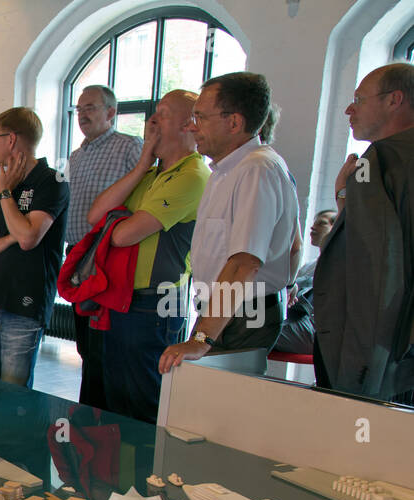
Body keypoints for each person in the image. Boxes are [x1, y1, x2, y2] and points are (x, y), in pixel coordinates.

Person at [159, 72, 300, 375]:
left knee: (224, 413)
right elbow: (293, 246)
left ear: (234, 122)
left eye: (200, 117)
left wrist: (200, 337)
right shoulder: (227, 170)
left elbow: (244, 262)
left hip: (244, 314)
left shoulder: (257, 169)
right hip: (226, 312)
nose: (191, 127)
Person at [84, 90, 208, 423]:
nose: (151, 122)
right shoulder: (152, 174)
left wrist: (119, 221)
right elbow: (96, 215)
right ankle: (118, 475)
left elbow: (123, 235)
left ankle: (144, 474)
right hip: (121, 300)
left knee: (141, 404)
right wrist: (141, 165)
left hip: (154, 306)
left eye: (163, 114)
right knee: (115, 402)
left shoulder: (192, 175)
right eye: (153, 113)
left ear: (188, 125)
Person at [313, 62, 414, 401]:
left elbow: (374, 268)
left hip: (380, 348)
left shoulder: (379, 160)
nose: (348, 109)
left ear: (394, 100)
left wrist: (361, 369)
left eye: (359, 98)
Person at [0, 107, 69, 387]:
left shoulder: (52, 181)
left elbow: (28, 240)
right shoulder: (7, 184)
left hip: (25, 304)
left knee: (14, 395)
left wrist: (5, 195)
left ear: (11, 139)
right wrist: (12, 235)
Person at [66, 85, 144, 405]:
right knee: (85, 344)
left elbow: (140, 199)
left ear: (111, 113)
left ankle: (102, 421)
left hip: (109, 257)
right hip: (78, 256)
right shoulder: (76, 155)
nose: (83, 115)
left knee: (103, 345)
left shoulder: (129, 147)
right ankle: (88, 413)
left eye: (91, 108)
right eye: (80, 109)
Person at [273, 209, 335, 354]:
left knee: (248, 329)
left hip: (313, 330)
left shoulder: (339, 264)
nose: (313, 227)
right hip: (297, 321)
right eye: (314, 223)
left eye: (322, 224)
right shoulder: (311, 265)